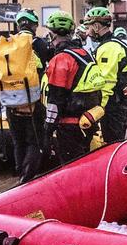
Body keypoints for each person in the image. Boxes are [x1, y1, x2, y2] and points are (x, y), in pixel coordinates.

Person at [41, 12, 106, 164]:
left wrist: (48, 130)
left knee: (70, 166)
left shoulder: (60, 59)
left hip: (69, 126)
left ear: (52, 35)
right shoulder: (84, 54)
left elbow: (55, 99)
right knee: (85, 163)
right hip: (88, 120)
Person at [0, 10, 48, 185]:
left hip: (11, 102)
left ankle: (19, 175)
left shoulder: (8, 44)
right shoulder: (39, 44)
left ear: (18, 25)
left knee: (18, 143)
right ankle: (28, 179)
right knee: (35, 142)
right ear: (33, 25)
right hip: (33, 101)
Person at [85, 8, 127, 143]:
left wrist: (98, 109)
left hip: (111, 106)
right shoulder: (119, 44)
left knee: (110, 144)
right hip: (121, 103)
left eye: (89, 27)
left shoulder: (108, 48)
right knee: (117, 141)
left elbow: (106, 84)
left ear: (96, 26)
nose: (87, 31)